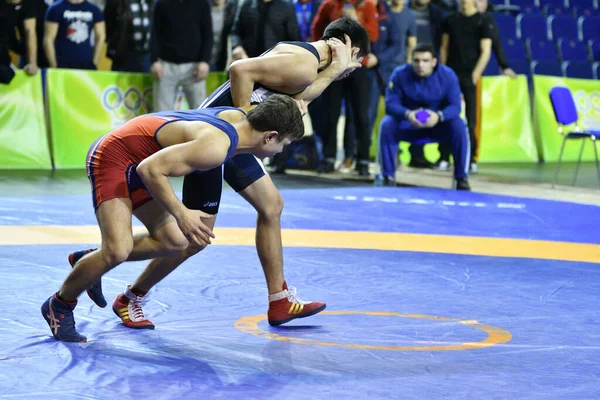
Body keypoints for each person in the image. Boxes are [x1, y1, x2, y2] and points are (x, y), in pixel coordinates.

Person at [69, 17, 369, 331]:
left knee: (271, 206)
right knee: (193, 238)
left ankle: (279, 300)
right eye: (358, 59)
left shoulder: (308, 62)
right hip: (221, 140)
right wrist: (243, 125)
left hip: (234, 140)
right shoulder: (305, 63)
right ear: (350, 46)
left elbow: (298, 101)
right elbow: (240, 69)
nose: (357, 66)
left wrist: (334, 72)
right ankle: (118, 283)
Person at [41, 95, 307, 343]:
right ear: (269, 137)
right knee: (118, 249)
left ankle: (90, 264)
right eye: (284, 144)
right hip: (115, 157)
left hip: (139, 160)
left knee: (177, 241)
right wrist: (182, 214)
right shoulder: (215, 147)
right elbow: (150, 169)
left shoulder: (239, 120)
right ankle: (60, 304)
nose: (281, 151)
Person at [376, 44, 471, 190]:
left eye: (425, 61)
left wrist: (439, 116)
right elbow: (391, 104)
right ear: (411, 60)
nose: (420, 65)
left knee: (459, 124)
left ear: (434, 61)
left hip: (437, 125)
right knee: (387, 123)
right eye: (416, 60)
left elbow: (455, 107)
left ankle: (461, 178)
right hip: (408, 123)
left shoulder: (448, 75)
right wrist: (408, 114)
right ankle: (387, 176)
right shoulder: (399, 74)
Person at [438, 0, 492, 172]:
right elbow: (444, 47)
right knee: (446, 115)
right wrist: (444, 71)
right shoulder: (450, 20)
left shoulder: (483, 21)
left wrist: (476, 74)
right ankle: (444, 156)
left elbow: (486, 51)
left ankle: (471, 158)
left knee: (471, 119)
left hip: (470, 76)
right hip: (452, 75)